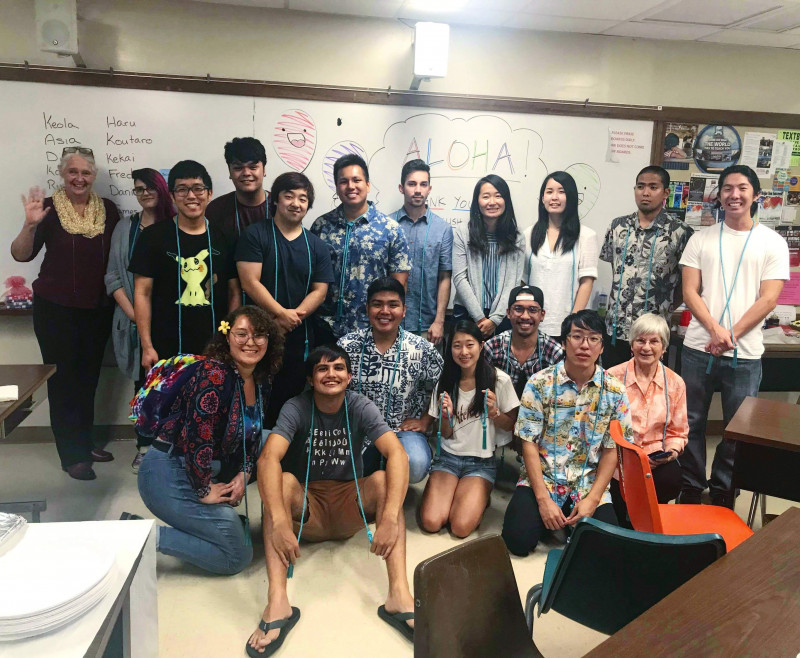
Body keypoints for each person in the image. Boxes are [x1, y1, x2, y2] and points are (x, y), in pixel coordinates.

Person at [248, 345, 415, 656]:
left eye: (338, 368)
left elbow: (398, 454)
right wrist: (281, 521)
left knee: (382, 481)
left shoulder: (359, 405)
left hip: (349, 504)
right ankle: (278, 602)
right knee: (280, 482)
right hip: (306, 511)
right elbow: (268, 458)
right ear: (311, 379)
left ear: (349, 376)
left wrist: (390, 517)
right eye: (322, 369)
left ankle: (399, 596)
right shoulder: (296, 407)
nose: (331, 374)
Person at [134, 306, 284, 574]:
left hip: (203, 466)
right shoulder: (214, 374)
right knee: (236, 557)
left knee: (273, 439)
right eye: (241, 334)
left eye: (259, 335)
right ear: (227, 337)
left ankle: (214, 521)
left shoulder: (259, 379)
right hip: (167, 471)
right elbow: (197, 435)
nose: (251, 342)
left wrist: (244, 472)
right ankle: (140, 536)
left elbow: (253, 432)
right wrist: (204, 490)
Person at [678, 165, 789, 508]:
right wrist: (715, 331)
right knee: (691, 422)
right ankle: (692, 484)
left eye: (742, 188)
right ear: (719, 195)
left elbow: (769, 298)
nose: (734, 194)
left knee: (737, 428)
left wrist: (730, 336)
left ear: (756, 195)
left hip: (746, 354)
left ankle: (725, 488)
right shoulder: (701, 238)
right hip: (698, 347)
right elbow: (690, 291)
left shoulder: (773, 242)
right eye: (727, 188)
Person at [11, 147, 120, 480]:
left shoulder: (110, 211)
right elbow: (20, 255)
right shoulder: (48, 209)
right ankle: (71, 454)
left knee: (88, 379)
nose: (79, 178)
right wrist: (30, 226)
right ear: (62, 173)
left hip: (97, 309)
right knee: (64, 381)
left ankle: (84, 443)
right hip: (55, 310)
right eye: (73, 171)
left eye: (86, 172)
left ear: (94, 175)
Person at [502, 310, 634, 556]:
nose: (585, 345)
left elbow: (611, 449)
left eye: (593, 338)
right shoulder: (539, 383)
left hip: (587, 482)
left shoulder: (615, 390)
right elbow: (528, 443)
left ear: (602, 347)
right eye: (577, 336)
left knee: (606, 551)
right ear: (564, 342)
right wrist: (543, 500)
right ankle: (550, 519)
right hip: (543, 478)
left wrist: (593, 499)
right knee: (516, 541)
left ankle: (565, 522)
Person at [236, 172, 334, 427]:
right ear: (276, 200)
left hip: (299, 336)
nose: (295, 203)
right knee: (252, 398)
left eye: (303, 198)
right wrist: (280, 314)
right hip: (256, 335)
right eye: (288, 196)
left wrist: (294, 316)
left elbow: (320, 290)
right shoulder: (255, 235)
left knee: (291, 400)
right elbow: (250, 281)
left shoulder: (317, 246)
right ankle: (249, 456)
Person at [130, 160, 242, 375]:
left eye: (198, 188)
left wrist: (229, 339)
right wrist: (147, 346)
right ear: (172, 196)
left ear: (209, 193)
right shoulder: (152, 237)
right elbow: (142, 293)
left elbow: (234, 292)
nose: (191, 196)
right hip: (164, 348)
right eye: (182, 189)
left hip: (214, 347)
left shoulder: (225, 237)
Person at [419, 321, 519, 537]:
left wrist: (495, 414)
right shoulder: (446, 380)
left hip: (480, 464)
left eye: (469, 345)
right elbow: (444, 433)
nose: (463, 352)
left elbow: (512, 428)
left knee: (460, 527)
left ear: (481, 346)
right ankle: (456, 492)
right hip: (447, 458)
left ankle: (479, 494)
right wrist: (445, 417)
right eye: (457, 346)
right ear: (450, 348)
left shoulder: (499, 380)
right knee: (431, 521)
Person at [338, 277, 443, 484]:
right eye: (377, 304)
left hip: (401, 430)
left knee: (415, 465)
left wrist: (425, 420)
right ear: (367, 309)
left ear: (404, 310)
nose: (385, 311)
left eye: (393, 305)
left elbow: (442, 387)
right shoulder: (346, 346)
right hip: (357, 429)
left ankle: (390, 478)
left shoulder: (422, 349)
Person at [105, 168, 175, 473]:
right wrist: (136, 315)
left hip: (173, 321)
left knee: (176, 386)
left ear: (163, 190)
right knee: (144, 388)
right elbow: (113, 276)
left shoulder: (177, 226)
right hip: (136, 323)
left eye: (151, 188)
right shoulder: (125, 228)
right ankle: (144, 446)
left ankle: (175, 447)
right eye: (138, 189)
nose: (145, 193)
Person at [600, 165, 693, 367]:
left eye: (653, 187)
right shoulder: (617, 226)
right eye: (641, 186)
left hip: (654, 335)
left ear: (666, 192)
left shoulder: (680, 232)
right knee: (613, 391)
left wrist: (666, 307)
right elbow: (617, 272)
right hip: (616, 330)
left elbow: (688, 286)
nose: (646, 192)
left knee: (650, 394)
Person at [311, 153, 410, 340]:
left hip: (372, 329)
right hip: (326, 327)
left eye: (357, 180)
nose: (351, 186)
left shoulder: (390, 229)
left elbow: (400, 284)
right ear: (337, 186)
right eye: (343, 181)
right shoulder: (321, 226)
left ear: (368, 184)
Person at [607, 313, 688, 525]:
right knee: (618, 519)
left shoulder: (676, 383)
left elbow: (678, 432)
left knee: (671, 480)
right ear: (631, 345)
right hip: (618, 461)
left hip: (656, 461)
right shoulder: (611, 378)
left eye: (654, 341)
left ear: (664, 348)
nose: (646, 347)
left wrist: (669, 454)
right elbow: (601, 427)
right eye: (640, 340)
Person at [523, 171, 599, 338]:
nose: (554, 197)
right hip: (532, 325)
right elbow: (524, 280)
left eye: (561, 191)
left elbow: (586, 282)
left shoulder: (586, 236)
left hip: (566, 326)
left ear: (571, 197)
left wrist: (572, 323)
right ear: (542, 198)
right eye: (549, 192)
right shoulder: (528, 235)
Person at [452, 174, 525, 338]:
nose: (492, 202)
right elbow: (459, 277)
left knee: (497, 363)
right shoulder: (463, 232)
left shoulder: (517, 236)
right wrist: (479, 317)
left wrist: (496, 319)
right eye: (486, 196)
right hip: (467, 313)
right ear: (477, 201)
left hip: (503, 315)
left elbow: (513, 281)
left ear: (506, 200)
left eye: (498, 196)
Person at [390, 159, 453, 344]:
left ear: (429, 188)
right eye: (412, 184)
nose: (418, 190)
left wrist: (440, 321)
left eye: (423, 184)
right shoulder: (387, 225)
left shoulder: (442, 229)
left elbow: (444, 277)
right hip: (391, 323)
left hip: (429, 326)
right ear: (401, 188)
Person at [484, 285, 564, 398]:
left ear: (542, 315)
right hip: (497, 413)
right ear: (508, 313)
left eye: (533, 310)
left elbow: (559, 397)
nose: (525, 316)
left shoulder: (554, 351)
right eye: (518, 309)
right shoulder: (492, 347)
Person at [206, 137, 269, 243]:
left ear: (264, 170)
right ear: (230, 172)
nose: (246, 173)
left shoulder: (280, 206)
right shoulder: (216, 210)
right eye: (238, 168)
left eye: (253, 167)